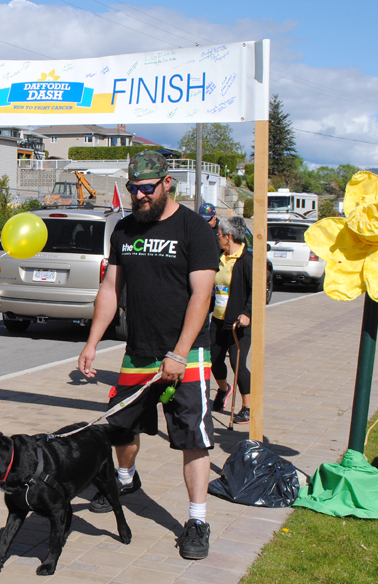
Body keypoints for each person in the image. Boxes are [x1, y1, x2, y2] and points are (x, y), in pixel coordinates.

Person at [77, 151, 218, 560]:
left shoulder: (194, 229)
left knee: (193, 438)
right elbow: (110, 290)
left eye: (146, 188)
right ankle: (124, 478)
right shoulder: (124, 230)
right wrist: (92, 343)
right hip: (138, 354)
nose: (139, 195)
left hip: (186, 356)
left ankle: (196, 520)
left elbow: (201, 296)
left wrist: (179, 352)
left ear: (167, 183)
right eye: (133, 188)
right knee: (122, 428)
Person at [209, 216, 253, 424]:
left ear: (228, 237)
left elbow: (256, 292)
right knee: (214, 359)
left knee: (237, 364)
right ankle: (223, 389)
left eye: (219, 235)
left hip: (238, 324)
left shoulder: (246, 260)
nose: (217, 238)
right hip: (218, 320)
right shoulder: (219, 257)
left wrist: (248, 313)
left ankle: (247, 406)